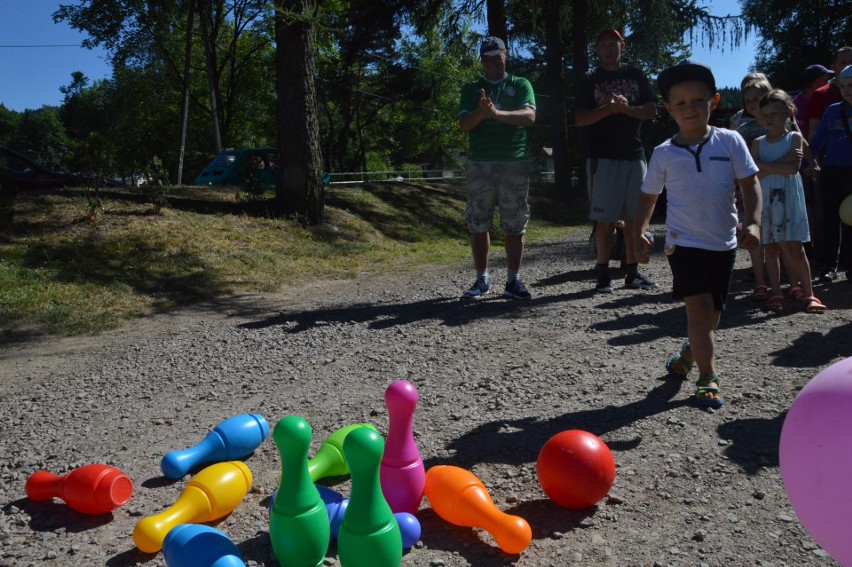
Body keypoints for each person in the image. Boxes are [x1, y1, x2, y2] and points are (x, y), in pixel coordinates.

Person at [633, 59, 762, 409]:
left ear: (714, 102)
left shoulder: (731, 141)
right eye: (680, 103)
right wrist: (641, 231)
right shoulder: (664, 154)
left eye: (698, 101)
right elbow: (648, 196)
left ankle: (689, 354)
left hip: (723, 243)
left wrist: (753, 223)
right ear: (668, 109)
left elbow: (750, 185)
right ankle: (709, 376)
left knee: (714, 313)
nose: (690, 109)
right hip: (683, 244)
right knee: (700, 310)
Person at [575, 29, 657, 293]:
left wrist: (627, 109)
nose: (609, 49)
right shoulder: (590, 79)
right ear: (597, 49)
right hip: (603, 157)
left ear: (622, 46)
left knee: (634, 218)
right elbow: (580, 118)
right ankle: (603, 276)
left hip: (634, 155)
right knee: (604, 220)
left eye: (613, 44)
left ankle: (633, 273)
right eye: (603, 45)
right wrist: (607, 109)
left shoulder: (635, 74)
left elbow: (651, 111)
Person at [458, 36, 536, 300]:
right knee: (479, 222)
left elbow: (529, 117)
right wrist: (482, 111)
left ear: (506, 55)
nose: (491, 62)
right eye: (486, 58)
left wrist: (496, 115)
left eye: (496, 56)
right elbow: (465, 125)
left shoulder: (520, 84)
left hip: (514, 162)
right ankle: (481, 281)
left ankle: (513, 281)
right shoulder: (472, 88)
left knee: (515, 224)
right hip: (480, 163)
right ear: (481, 61)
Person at [750, 89, 825, 313]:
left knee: (795, 247)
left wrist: (761, 165)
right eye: (764, 114)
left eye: (775, 112)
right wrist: (775, 165)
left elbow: (792, 169)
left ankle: (810, 293)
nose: (769, 118)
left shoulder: (794, 138)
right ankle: (776, 292)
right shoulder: (757, 143)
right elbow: (753, 173)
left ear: (788, 112)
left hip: (789, 200)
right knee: (770, 248)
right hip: (766, 201)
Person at [730, 74, 774, 301]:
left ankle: (781, 278)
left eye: (758, 98)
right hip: (750, 190)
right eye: (748, 101)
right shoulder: (743, 130)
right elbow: (737, 163)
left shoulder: (785, 126)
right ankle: (760, 281)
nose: (753, 104)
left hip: (779, 189)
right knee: (754, 233)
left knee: (779, 232)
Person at [810, 65, 852, 285]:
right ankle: (830, 266)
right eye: (843, 86)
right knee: (830, 220)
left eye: (851, 85)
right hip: (832, 171)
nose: (846, 90)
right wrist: (809, 162)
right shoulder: (833, 111)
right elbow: (817, 140)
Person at [808, 46, 852, 143]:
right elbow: (814, 131)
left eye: (851, 61)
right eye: (843, 63)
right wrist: (815, 157)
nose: (848, 66)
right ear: (833, 67)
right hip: (833, 155)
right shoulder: (821, 94)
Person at [793, 65, 834, 139]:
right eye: (826, 81)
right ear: (815, 84)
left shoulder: (822, 99)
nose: (828, 84)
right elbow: (801, 137)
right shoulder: (797, 106)